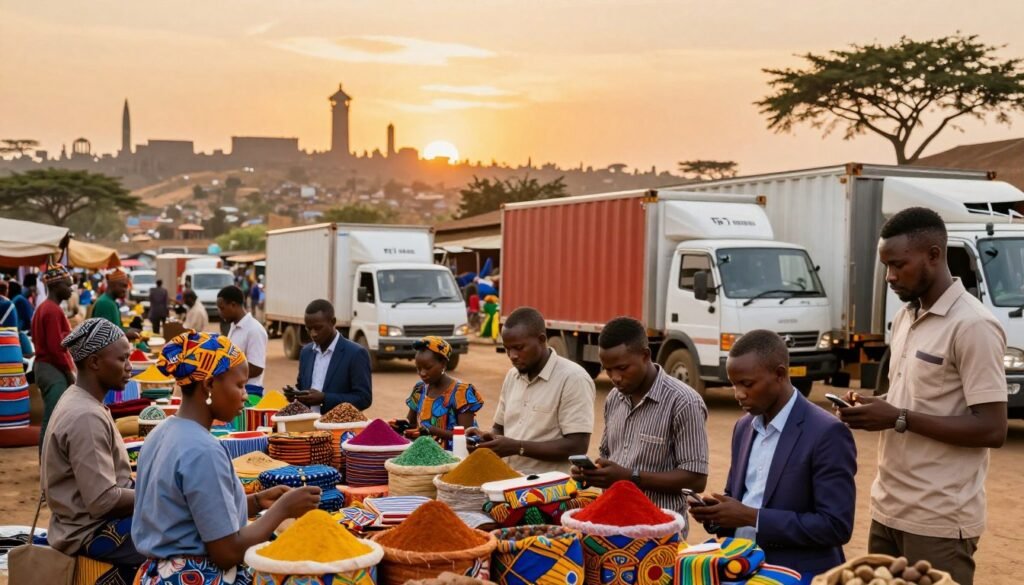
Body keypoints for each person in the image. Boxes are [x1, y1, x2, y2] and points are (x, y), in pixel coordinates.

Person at [838, 207, 1007, 585]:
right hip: (888, 509)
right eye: (886, 266)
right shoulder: (905, 317)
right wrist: (874, 406)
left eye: (898, 265)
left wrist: (898, 417)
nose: (890, 276)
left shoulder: (973, 326)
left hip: (939, 522)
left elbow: (992, 428)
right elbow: (916, 396)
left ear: (934, 255)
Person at [133, 332, 321, 584]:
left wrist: (256, 501)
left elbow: (187, 512)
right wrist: (282, 510)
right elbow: (227, 553)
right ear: (209, 384)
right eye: (240, 385)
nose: (245, 395)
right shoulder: (203, 450)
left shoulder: (161, 433)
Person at [690, 330, 856, 581]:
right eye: (734, 384)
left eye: (747, 384)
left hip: (797, 574)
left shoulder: (826, 432)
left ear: (779, 374)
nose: (738, 394)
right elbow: (737, 498)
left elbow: (835, 526)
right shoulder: (744, 427)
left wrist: (751, 516)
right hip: (741, 567)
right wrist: (717, 515)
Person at [572, 317, 708, 519]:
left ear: (645, 355)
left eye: (622, 368)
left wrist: (630, 477)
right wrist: (593, 474)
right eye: (608, 369)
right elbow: (608, 457)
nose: (615, 377)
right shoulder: (614, 398)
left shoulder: (683, 402)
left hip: (659, 527)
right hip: (612, 522)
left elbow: (696, 479)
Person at [42, 319, 144, 582]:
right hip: (88, 531)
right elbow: (103, 501)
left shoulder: (80, 399)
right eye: (122, 359)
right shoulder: (85, 415)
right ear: (95, 362)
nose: (129, 366)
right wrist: (156, 492)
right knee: (185, 537)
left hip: (78, 523)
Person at [469, 307, 595, 474]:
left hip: (550, 485)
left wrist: (518, 447)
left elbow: (577, 446)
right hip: (508, 480)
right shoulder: (512, 376)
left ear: (541, 340)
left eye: (519, 347)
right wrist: (484, 439)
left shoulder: (573, 378)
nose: (512, 355)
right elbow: (499, 428)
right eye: (507, 349)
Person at [284, 299, 372, 412]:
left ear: (333, 322)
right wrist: (295, 394)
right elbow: (302, 387)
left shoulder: (355, 353)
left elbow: (364, 398)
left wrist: (325, 398)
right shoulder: (306, 352)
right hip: (308, 422)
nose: (313, 334)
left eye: (318, 328)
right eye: (308, 329)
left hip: (337, 423)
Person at [401, 336, 483, 449]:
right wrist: (402, 425)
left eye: (428, 368)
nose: (422, 373)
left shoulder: (461, 393)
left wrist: (433, 431)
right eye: (418, 368)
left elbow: (467, 436)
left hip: (455, 455)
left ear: (443, 364)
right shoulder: (420, 389)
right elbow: (412, 424)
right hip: (424, 454)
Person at [32, 263, 77, 443]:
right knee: (52, 418)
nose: (71, 289)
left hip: (46, 368)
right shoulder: (51, 310)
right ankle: (46, 458)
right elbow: (56, 348)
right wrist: (68, 373)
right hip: (52, 370)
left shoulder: (46, 308)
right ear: (56, 286)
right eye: (68, 285)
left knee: (54, 417)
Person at [218, 285, 268, 398]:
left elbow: (256, 368)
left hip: (250, 393)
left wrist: (224, 372)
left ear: (233, 305)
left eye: (222, 308)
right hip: (235, 390)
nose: (220, 313)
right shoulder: (233, 326)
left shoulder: (254, 330)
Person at [91, 269, 139, 341]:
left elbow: (116, 329)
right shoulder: (105, 303)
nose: (125, 290)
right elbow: (105, 335)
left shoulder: (111, 302)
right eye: (123, 286)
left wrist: (132, 331)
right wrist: (130, 335)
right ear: (112, 285)